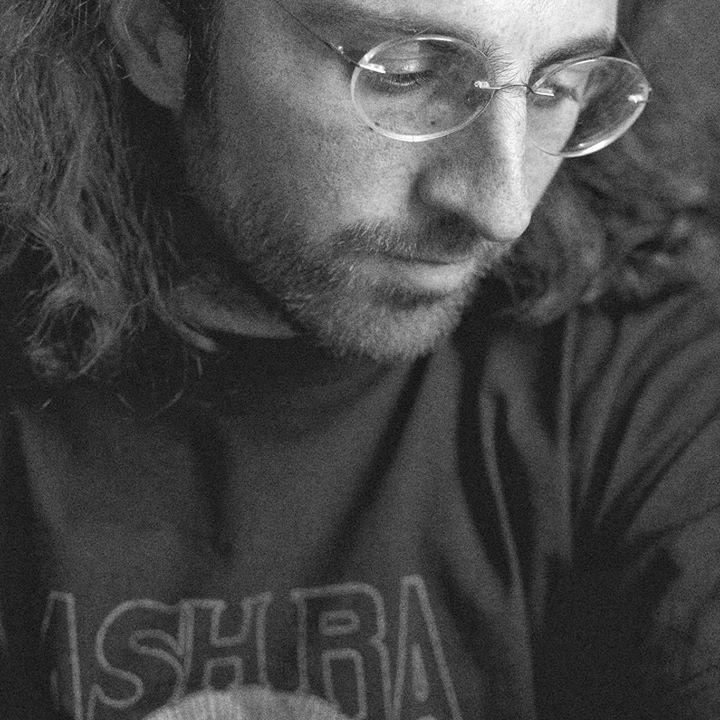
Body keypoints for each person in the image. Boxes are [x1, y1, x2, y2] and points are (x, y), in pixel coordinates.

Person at [1, 0, 719, 718]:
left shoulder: (644, 372)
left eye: (556, 88)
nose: (503, 210)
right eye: (404, 73)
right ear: (161, 35)